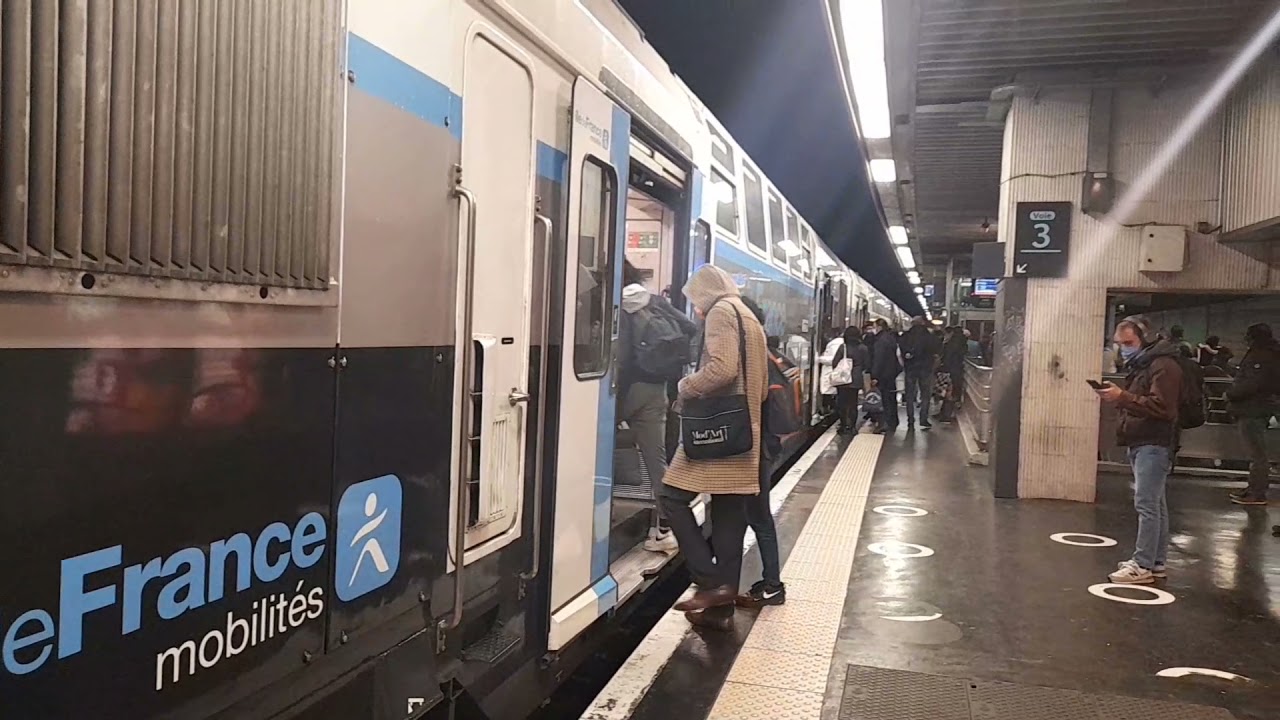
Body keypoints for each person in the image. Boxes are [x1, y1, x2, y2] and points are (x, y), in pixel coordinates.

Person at [661, 265, 769, 631]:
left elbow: (722, 370)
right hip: (743, 431)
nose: (694, 309)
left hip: (717, 431)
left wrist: (686, 386)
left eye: (694, 301)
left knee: (671, 497)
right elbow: (764, 384)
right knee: (729, 512)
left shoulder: (722, 312)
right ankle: (722, 603)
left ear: (705, 293)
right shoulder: (748, 316)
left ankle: (709, 581)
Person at [1095, 315, 1182, 584]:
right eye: (1120, 344)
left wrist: (1123, 397)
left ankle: (1142, 564)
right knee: (1156, 504)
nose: (1124, 348)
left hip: (1153, 441)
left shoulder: (1163, 366)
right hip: (1146, 440)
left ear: (1145, 338)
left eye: (1129, 342)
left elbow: (1162, 408)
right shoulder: (1148, 364)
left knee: (1146, 504)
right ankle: (1155, 562)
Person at [618, 260, 697, 552]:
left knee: (593, 449)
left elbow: (621, 355)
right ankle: (665, 530)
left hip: (627, 389)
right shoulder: (655, 301)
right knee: (656, 460)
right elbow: (689, 327)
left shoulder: (616, 304)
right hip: (656, 389)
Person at [737, 296, 791, 607]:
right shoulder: (770, 355)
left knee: (759, 517)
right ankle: (770, 582)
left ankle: (773, 585)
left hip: (756, 449)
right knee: (758, 517)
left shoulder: (757, 358)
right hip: (765, 446)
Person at [1226, 323, 1280, 506]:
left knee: (1257, 454)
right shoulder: (1270, 353)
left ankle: (1257, 493)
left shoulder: (1262, 356)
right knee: (1256, 453)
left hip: (1252, 408)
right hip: (1259, 407)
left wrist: (1231, 394)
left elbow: (1253, 383)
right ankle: (1253, 489)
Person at [899, 316, 939, 430]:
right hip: (926, 369)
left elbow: (901, 351)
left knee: (910, 395)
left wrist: (906, 361)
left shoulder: (905, 336)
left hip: (910, 369)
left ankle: (910, 420)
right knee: (925, 394)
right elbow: (936, 352)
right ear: (923, 323)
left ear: (912, 323)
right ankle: (923, 419)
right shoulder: (930, 337)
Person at [869, 318, 902, 432]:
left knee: (884, 400)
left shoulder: (881, 341)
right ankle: (893, 421)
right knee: (891, 399)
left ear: (879, 327)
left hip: (883, 375)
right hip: (891, 373)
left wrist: (874, 376)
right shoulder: (890, 338)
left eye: (874, 326)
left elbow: (879, 360)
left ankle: (886, 423)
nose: (873, 329)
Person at [938, 326, 968, 422]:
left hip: (950, 370)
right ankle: (947, 414)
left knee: (948, 392)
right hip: (957, 370)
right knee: (952, 393)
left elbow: (947, 355)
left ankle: (945, 415)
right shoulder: (962, 342)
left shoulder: (951, 343)